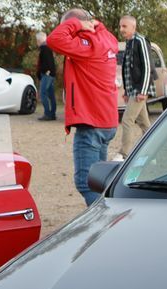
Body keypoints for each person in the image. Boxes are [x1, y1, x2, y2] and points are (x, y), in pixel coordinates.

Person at [46, 8, 119, 205]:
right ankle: (105, 220)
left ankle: (101, 225)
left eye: (69, 27)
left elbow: (54, 40)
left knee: (86, 182)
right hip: (106, 121)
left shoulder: (87, 45)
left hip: (91, 123)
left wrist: (76, 25)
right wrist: (92, 23)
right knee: (99, 180)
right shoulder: (106, 38)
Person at [111, 15, 155, 159]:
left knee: (127, 120)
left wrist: (143, 90)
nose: (121, 29)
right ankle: (152, 152)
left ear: (133, 27)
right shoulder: (128, 43)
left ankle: (123, 154)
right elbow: (127, 69)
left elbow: (148, 66)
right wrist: (125, 91)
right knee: (144, 124)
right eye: (120, 26)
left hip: (139, 90)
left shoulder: (140, 41)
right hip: (132, 90)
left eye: (124, 26)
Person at [36, 32, 57, 121]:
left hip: (47, 75)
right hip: (51, 74)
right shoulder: (49, 47)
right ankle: (52, 114)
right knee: (51, 95)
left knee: (43, 93)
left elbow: (47, 62)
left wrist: (46, 71)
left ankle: (47, 114)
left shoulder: (44, 49)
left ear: (39, 40)